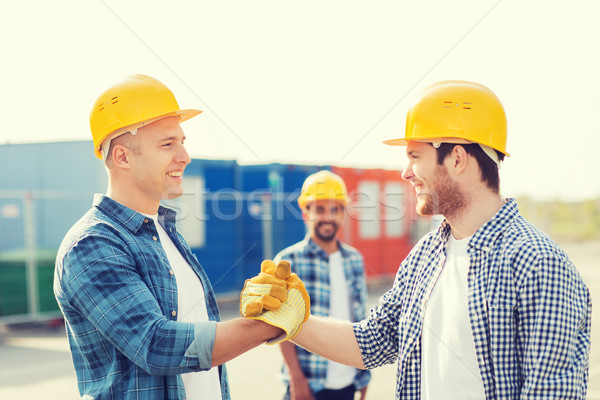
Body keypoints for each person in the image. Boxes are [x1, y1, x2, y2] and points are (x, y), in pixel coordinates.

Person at [243, 81, 592, 399]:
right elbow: (372, 341)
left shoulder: (539, 265)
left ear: (457, 158)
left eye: (415, 156)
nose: (405, 172)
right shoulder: (426, 255)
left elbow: (550, 393)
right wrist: (293, 319)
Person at [54, 74, 288, 399]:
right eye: (168, 144)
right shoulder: (93, 244)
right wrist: (272, 323)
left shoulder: (163, 232)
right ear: (122, 156)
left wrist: (255, 311)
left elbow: (196, 336)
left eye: (182, 140)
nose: (185, 156)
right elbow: (157, 345)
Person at [274, 171, 371, 400]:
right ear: (305, 212)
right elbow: (281, 325)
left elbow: (360, 319)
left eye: (334, 209)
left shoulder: (354, 260)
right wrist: (296, 378)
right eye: (319, 209)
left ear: (343, 213)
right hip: (307, 385)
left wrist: (364, 375)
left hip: (348, 383)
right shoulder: (289, 262)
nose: (328, 217)